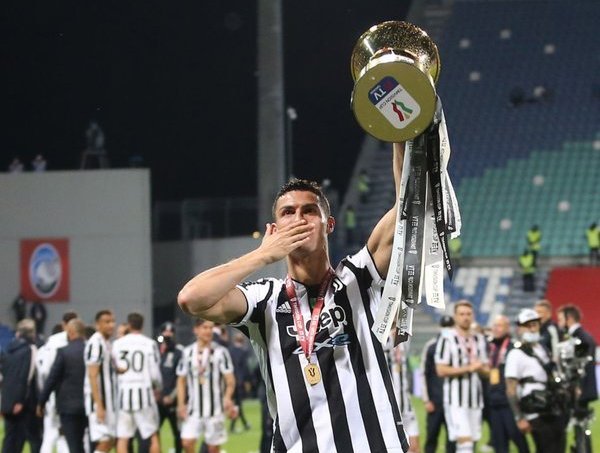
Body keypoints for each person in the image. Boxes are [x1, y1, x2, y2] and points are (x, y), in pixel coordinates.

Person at [177, 143, 410, 452]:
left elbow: (407, 207)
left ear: (328, 225)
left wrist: (399, 135)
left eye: (309, 211)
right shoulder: (264, 299)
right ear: (275, 230)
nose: (299, 219)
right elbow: (191, 298)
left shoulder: (358, 277)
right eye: (288, 213)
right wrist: (261, 255)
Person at [504, 308, 566, 453]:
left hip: (551, 406)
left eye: (535, 324)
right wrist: (519, 418)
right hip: (534, 411)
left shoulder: (542, 348)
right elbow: (511, 389)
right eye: (528, 325)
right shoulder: (515, 354)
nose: (532, 329)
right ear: (520, 328)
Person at [435, 300, 489, 453]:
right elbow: (441, 370)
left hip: (475, 399)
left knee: (471, 441)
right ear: (455, 316)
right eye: (462, 314)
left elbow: (486, 369)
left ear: (473, 316)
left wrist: (481, 368)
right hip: (456, 400)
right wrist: (469, 368)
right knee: (464, 442)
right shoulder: (447, 338)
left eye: (468, 314)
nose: (465, 317)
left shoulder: (479, 339)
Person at [176, 319, 236, 453]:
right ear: (196, 330)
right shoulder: (187, 352)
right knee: (186, 442)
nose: (209, 331)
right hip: (193, 409)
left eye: (211, 328)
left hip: (215, 410)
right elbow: (181, 380)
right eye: (205, 327)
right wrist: (180, 404)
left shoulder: (221, 352)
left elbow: (230, 380)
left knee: (213, 449)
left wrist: (227, 397)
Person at [112, 312, 162, 453]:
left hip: (124, 394)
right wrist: (158, 388)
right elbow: (154, 373)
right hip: (144, 393)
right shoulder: (149, 344)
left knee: (123, 437)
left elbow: (115, 368)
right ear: (142, 325)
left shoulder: (117, 344)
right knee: (152, 435)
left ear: (129, 325)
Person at [37, 319, 88, 453]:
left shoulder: (64, 352)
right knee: (85, 441)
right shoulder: (90, 350)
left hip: (67, 407)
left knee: (73, 443)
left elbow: (52, 378)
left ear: (70, 332)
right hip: (89, 405)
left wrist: (41, 402)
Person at [557, 303, 598, 452]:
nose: (559, 323)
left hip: (580, 391)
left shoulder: (581, 337)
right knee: (580, 427)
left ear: (569, 318)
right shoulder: (580, 336)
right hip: (581, 390)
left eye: (561, 319)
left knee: (581, 427)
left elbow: (581, 366)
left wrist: (578, 387)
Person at [486, 315, 529, 453]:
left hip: (509, 402)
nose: (496, 329)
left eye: (500, 326)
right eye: (494, 325)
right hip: (494, 402)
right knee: (499, 444)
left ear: (507, 328)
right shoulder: (491, 346)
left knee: (519, 440)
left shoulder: (513, 347)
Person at [0, 319, 42, 453]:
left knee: (10, 437)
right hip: (24, 401)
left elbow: (6, 374)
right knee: (31, 437)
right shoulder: (30, 350)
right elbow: (25, 376)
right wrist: (19, 400)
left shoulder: (8, 349)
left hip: (7, 399)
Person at [420, 315, 455, 453]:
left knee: (452, 439)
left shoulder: (457, 345)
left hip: (453, 402)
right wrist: (426, 400)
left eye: (449, 326)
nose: (447, 329)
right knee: (431, 436)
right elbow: (424, 373)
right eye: (445, 326)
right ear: (440, 327)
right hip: (435, 401)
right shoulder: (431, 346)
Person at [84, 309, 117, 453]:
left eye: (112, 321)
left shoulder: (106, 343)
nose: (111, 325)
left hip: (108, 402)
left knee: (110, 440)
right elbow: (92, 375)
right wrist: (98, 405)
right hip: (99, 402)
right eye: (107, 322)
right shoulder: (96, 343)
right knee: (104, 441)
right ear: (97, 324)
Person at [156, 321, 183, 453]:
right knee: (153, 432)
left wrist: (172, 396)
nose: (167, 335)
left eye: (170, 332)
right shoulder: (155, 350)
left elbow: (181, 378)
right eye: (165, 331)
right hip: (157, 400)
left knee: (178, 433)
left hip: (173, 400)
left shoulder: (179, 352)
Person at [389, 341, 420, 453]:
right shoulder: (380, 340)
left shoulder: (402, 341)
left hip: (407, 405)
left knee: (414, 448)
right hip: (390, 408)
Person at [229, 331, 252, 433]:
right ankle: (235, 426)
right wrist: (247, 381)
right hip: (239, 381)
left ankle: (244, 424)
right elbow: (245, 368)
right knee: (238, 404)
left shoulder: (230, 351)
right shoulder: (243, 352)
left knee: (237, 404)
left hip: (230, 381)